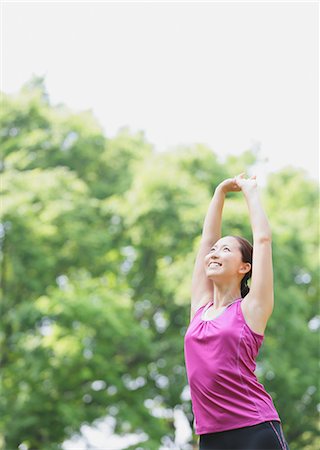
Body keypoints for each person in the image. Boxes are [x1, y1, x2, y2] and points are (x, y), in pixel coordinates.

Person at [184, 174, 290, 450]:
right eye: (215, 251)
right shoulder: (200, 309)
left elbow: (263, 240)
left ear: (245, 267)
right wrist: (219, 193)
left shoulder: (252, 308)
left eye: (226, 249)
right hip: (210, 437)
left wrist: (250, 192)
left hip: (254, 430)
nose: (215, 253)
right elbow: (207, 241)